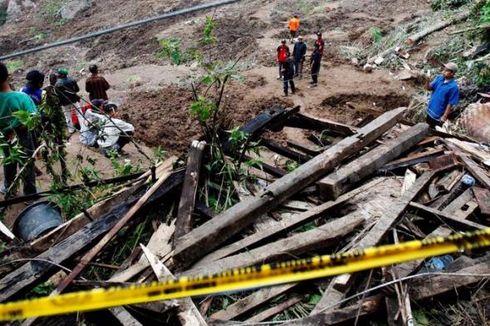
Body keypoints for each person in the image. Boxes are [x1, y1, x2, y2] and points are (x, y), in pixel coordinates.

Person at [0, 62, 37, 196]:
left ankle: (9, 188)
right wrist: (17, 127)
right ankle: (30, 193)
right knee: (27, 163)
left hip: (5, 137)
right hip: (23, 135)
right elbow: (33, 119)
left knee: (9, 161)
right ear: (8, 76)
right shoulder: (22, 97)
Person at [39, 73, 69, 184]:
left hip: (53, 115)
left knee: (57, 133)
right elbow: (45, 104)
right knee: (54, 131)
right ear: (54, 80)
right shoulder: (47, 90)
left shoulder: (54, 89)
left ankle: (58, 144)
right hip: (51, 116)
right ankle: (57, 145)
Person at [425, 63, 460, 128]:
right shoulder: (439, 78)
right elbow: (428, 88)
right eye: (444, 69)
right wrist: (427, 80)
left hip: (438, 116)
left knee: (433, 134)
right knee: (426, 128)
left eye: (446, 70)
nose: (443, 71)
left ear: (452, 73)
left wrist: (444, 116)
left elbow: (450, 103)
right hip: (430, 110)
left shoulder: (454, 87)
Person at [55, 68, 81, 134]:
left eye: (59, 74)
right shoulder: (72, 80)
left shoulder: (57, 84)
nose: (58, 75)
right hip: (74, 100)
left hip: (64, 102)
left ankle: (71, 130)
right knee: (79, 114)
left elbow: (57, 94)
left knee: (67, 116)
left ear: (61, 75)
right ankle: (83, 127)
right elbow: (77, 90)